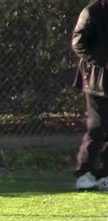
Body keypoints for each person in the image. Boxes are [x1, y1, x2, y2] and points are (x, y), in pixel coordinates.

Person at [72, 0, 108, 190]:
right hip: (96, 82)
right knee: (97, 127)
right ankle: (83, 173)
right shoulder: (92, 12)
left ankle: (104, 174)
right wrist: (102, 62)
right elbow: (78, 43)